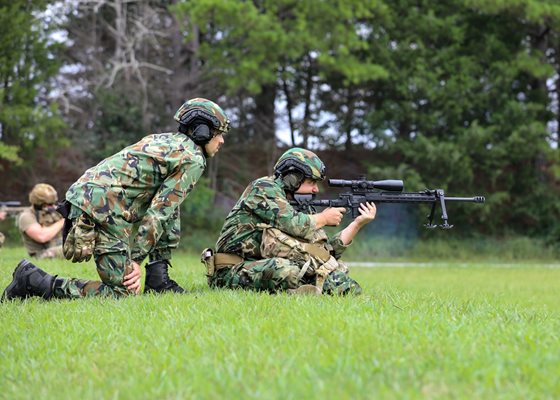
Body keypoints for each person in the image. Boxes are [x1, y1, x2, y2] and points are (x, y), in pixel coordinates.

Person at [2, 98, 231, 301]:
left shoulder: (163, 141)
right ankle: (34, 281)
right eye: (218, 133)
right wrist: (136, 260)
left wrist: (154, 269)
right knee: (122, 293)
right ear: (201, 131)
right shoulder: (193, 158)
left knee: (173, 209)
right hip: (103, 207)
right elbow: (158, 213)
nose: (221, 141)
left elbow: (168, 210)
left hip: (94, 199)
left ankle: (158, 281)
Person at [202, 148, 376, 295]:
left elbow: (323, 252)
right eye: (311, 182)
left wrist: (357, 224)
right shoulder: (263, 188)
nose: (316, 189)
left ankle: (312, 290)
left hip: (262, 267)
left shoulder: (299, 205)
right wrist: (323, 218)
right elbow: (294, 224)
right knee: (287, 269)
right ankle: (307, 290)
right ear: (293, 178)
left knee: (334, 276)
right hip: (232, 270)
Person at [17, 183, 64, 259]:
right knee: (73, 249)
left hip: (59, 247)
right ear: (39, 204)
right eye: (49, 204)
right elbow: (42, 237)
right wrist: (63, 221)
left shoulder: (54, 212)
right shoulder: (26, 216)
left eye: (53, 203)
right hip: (43, 254)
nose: (53, 206)